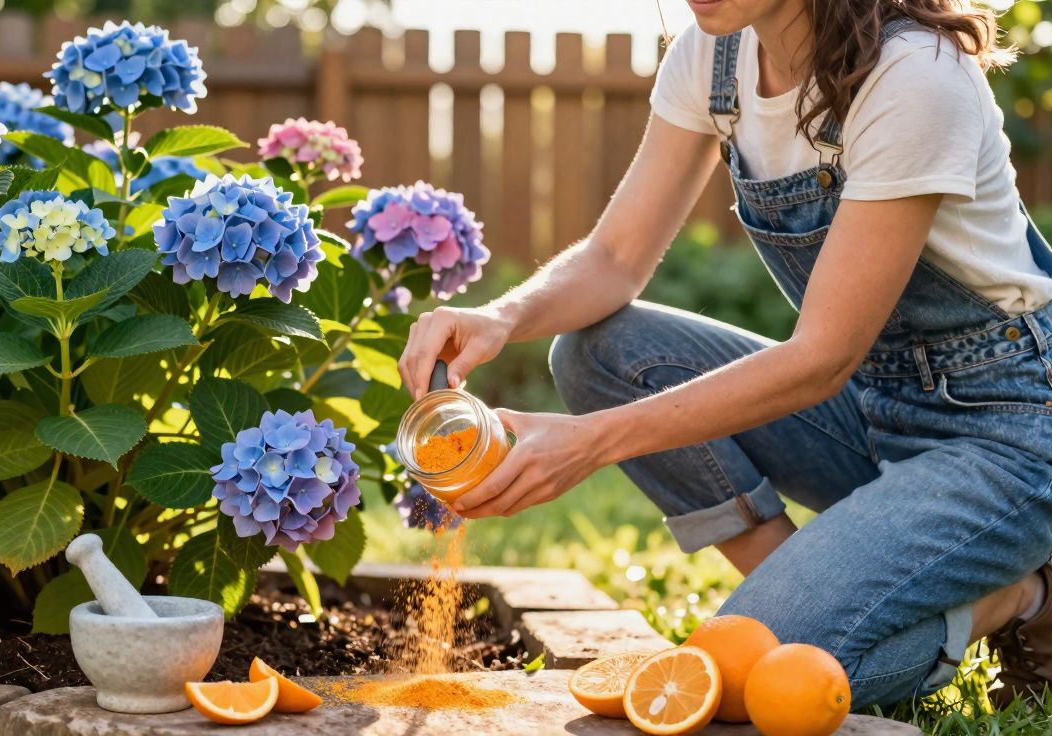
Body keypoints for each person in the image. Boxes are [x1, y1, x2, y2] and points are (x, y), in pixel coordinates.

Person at [397, 0, 1052, 709]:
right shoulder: (714, 58)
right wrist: (499, 315)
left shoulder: (916, 76)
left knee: (744, 685)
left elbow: (822, 357)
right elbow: (615, 258)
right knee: (598, 349)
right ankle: (809, 598)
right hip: (873, 406)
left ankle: (1020, 596)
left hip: (1007, 435)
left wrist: (589, 444)